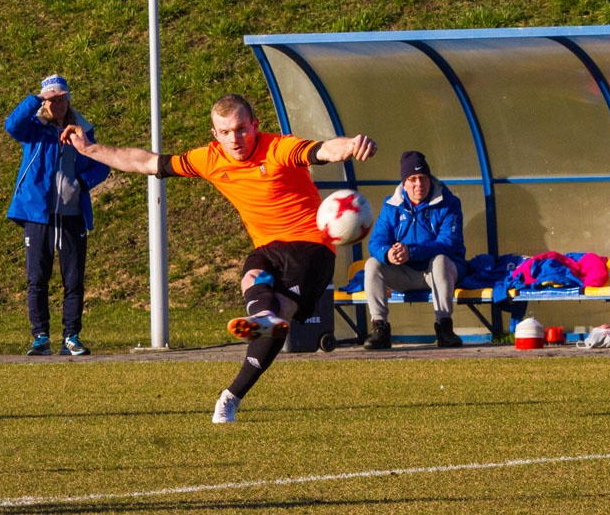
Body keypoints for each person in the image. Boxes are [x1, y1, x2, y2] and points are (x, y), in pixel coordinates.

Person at [62, 93, 376, 422]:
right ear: (215, 134)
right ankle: (251, 351)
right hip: (268, 247)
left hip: (310, 246)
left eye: (241, 129)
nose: (234, 138)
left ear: (255, 125)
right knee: (251, 278)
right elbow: (146, 162)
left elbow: (321, 150)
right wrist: (89, 149)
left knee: (279, 311)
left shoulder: (278, 148)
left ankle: (239, 380)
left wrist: (351, 145)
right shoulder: (210, 159)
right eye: (225, 132)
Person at [5, 74, 110, 357]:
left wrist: (83, 182)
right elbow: (11, 126)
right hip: (37, 215)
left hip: (72, 214)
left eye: (61, 99)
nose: (57, 104)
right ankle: (40, 337)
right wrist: (37, 100)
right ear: (45, 102)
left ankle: (71, 337)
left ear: (68, 100)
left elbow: (102, 163)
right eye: (52, 100)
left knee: (73, 280)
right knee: (37, 278)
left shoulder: (82, 130)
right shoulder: (34, 129)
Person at [363, 151, 467, 350]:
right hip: (405, 272)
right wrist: (388, 254)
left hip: (440, 271)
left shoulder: (449, 203)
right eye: (412, 179)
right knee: (373, 264)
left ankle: (444, 327)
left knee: (440, 260)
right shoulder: (391, 205)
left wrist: (411, 251)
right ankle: (380, 329)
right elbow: (376, 242)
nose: (418, 184)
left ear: (429, 179)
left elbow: (449, 243)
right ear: (404, 182)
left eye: (422, 178)